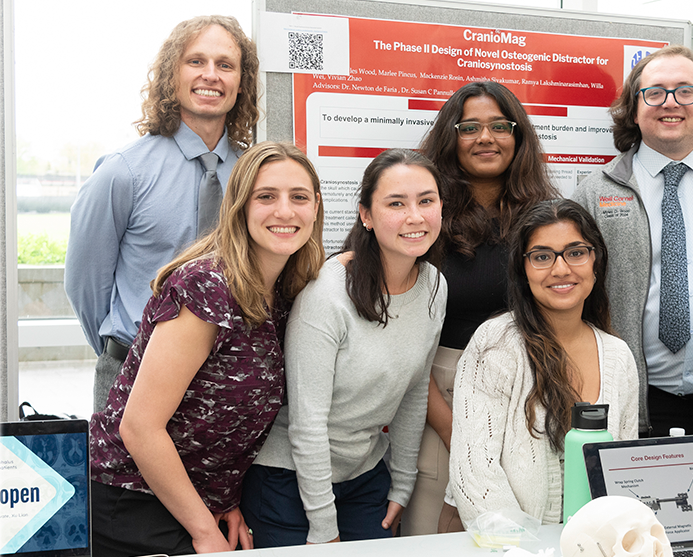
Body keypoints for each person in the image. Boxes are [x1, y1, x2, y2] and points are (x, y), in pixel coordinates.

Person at [88, 141, 324, 557]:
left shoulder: (289, 292)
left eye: (299, 197)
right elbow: (140, 428)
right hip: (132, 495)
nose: (285, 211)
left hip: (197, 499)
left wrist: (224, 495)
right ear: (239, 206)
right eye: (266, 196)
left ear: (316, 207)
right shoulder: (207, 285)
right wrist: (202, 531)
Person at [241, 148, 447, 546]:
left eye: (427, 201)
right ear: (366, 216)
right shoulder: (327, 295)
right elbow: (307, 424)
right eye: (396, 204)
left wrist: (402, 484)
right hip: (290, 481)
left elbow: (415, 391)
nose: (415, 217)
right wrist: (323, 526)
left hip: (364, 476)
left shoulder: (435, 286)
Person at [65, 15, 260, 413]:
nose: (211, 75)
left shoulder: (252, 176)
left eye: (225, 65)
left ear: (242, 82)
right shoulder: (124, 172)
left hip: (220, 380)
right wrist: (128, 350)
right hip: (131, 374)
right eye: (196, 61)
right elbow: (85, 286)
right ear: (172, 74)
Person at [572, 45, 693, 437]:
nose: (669, 103)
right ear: (634, 109)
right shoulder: (594, 193)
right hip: (633, 403)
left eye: (685, 91)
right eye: (654, 92)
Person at [403, 81, 558, 535]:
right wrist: (458, 431)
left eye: (499, 126)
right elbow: (401, 337)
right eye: (469, 127)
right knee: (436, 537)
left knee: (518, 537)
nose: (485, 138)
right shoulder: (425, 217)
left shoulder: (545, 216)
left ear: (519, 136)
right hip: (440, 402)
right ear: (450, 137)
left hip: (531, 402)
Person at [444, 199, 639, 528]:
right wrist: (522, 547)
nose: (561, 269)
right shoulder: (496, 343)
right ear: (522, 269)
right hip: (501, 545)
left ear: (596, 261)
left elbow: (623, 477)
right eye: (542, 257)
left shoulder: (618, 356)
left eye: (576, 252)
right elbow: (476, 471)